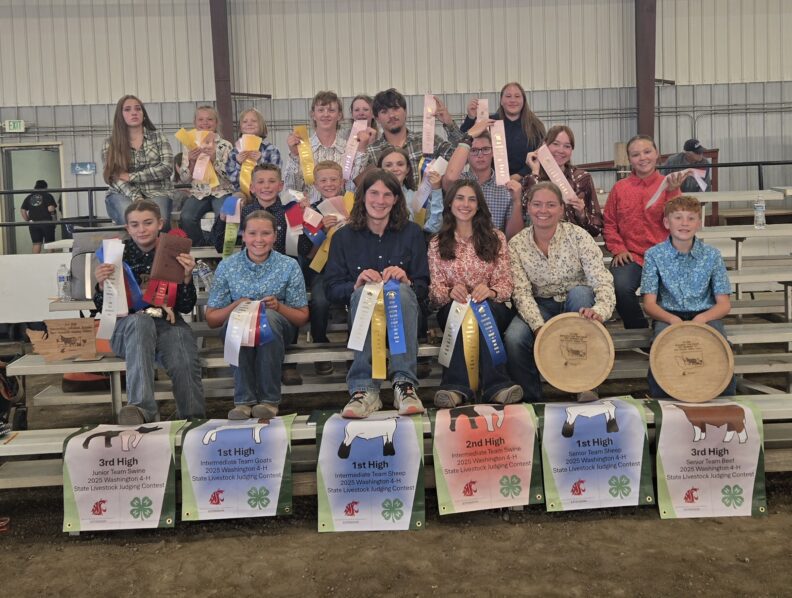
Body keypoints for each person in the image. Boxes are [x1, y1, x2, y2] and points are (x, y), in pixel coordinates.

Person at [324, 169, 429, 418]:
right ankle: (364, 391)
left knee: (400, 293)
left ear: (396, 199)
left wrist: (408, 280)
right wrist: (355, 284)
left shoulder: (412, 233)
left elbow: (424, 286)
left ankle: (404, 386)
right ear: (362, 197)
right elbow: (330, 289)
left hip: (406, 313)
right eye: (373, 193)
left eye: (387, 194)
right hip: (362, 318)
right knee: (363, 294)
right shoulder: (343, 237)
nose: (379, 201)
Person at [93, 200, 204, 424]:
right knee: (140, 322)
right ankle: (141, 409)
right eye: (134, 225)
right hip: (128, 328)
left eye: (147, 223)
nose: (141, 229)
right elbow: (102, 308)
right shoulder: (114, 255)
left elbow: (184, 306)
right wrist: (102, 286)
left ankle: (193, 419)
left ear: (160, 223)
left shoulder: (174, 251)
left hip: (167, 323)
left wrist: (186, 278)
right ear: (127, 228)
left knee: (182, 344)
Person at [504, 182, 615, 402]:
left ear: (562, 209)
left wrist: (600, 310)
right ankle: (531, 398)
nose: (543, 210)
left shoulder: (579, 236)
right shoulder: (516, 245)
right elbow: (522, 293)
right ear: (528, 208)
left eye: (550, 205)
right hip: (540, 305)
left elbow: (600, 279)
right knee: (514, 338)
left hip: (576, 302)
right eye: (537, 204)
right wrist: (538, 327)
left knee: (581, 293)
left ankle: (583, 384)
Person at [206, 211, 309, 419]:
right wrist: (235, 305)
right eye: (252, 233)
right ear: (243, 235)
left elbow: (301, 317)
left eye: (265, 233)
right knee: (238, 322)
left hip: (280, 328)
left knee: (268, 320)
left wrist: (278, 307)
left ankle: (269, 401)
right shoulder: (227, 266)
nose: (259, 240)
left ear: (275, 236)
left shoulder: (289, 265)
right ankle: (243, 401)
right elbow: (211, 319)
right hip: (237, 328)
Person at [428, 180, 521, 407]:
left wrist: (489, 290)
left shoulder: (496, 237)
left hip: (493, 307)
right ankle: (455, 388)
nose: (466, 204)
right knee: (461, 312)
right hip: (452, 309)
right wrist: (450, 292)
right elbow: (434, 293)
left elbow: (506, 284)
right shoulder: (437, 243)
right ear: (450, 204)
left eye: (472, 199)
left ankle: (495, 387)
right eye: (460, 198)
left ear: (479, 205)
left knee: (482, 311)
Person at [642, 196, 736, 397]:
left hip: (705, 314)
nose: (684, 223)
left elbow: (724, 304)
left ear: (698, 223)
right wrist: (670, 319)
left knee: (720, 348)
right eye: (678, 217)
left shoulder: (712, 255)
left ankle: (725, 399)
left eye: (691, 218)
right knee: (661, 347)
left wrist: (702, 319)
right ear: (667, 223)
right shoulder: (653, 255)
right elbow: (649, 303)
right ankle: (662, 400)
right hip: (668, 315)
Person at [603, 135, 689, 329]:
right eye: (635, 154)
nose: (642, 157)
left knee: (674, 290)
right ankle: (640, 332)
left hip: (664, 255)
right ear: (629, 159)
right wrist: (618, 249)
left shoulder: (670, 185)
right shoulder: (619, 189)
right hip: (631, 256)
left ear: (657, 154)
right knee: (620, 287)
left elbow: (680, 223)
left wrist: (674, 192)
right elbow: (609, 223)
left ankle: (666, 331)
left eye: (647, 152)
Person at [283, 90, 372, 204]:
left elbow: (355, 189)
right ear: (313, 115)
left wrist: (361, 150)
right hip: (310, 218)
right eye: (321, 110)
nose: (326, 114)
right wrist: (295, 156)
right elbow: (291, 190)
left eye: (331, 110)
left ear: (339, 115)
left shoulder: (351, 148)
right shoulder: (300, 148)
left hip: (345, 216)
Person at [365, 88, 463, 189]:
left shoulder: (428, 140)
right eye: (384, 111)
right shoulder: (371, 152)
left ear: (405, 111)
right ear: (376, 118)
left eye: (395, 108)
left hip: (431, 204)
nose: (391, 115)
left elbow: (461, 157)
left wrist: (449, 124)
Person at [519, 125, 604, 238]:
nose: (561, 150)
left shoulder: (582, 178)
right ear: (544, 145)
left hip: (574, 246)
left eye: (567, 146)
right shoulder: (531, 178)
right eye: (555, 144)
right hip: (539, 245)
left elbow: (597, 228)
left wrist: (582, 214)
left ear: (571, 150)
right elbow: (525, 215)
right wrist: (535, 172)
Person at [102, 94, 173, 227]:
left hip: (158, 191)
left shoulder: (158, 137)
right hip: (123, 193)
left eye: (138, 109)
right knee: (129, 219)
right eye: (127, 109)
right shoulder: (110, 143)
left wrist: (131, 176)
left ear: (143, 114)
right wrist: (137, 198)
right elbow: (115, 177)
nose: (134, 112)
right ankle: (131, 248)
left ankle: (158, 248)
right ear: (120, 116)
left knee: (159, 221)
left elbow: (167, 168)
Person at [443, 117, 523, 235]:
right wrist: (469, 135)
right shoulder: (459, 181)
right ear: (466, 154)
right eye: (474, 150)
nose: (480, 155)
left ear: (494, 152)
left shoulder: (507, 186)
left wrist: (517, 202)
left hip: (493, 248)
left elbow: (514, 236)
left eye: (485, 149)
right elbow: (449, 178)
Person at [460, 82, 546, 179]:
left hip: (526, 181)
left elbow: (540, 155)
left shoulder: (536, 126)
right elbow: (463, 141)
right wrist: (470, 118)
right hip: (491, 182)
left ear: (524, 100)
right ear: (501, 101)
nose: (513, 100)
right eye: (508, 96)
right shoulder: (488, 122)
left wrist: (519, 175)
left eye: (517, 96)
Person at [178, 105, 234, 245]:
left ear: (216, 123)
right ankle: (202, 249)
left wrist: (215, 159)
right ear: (195, 123)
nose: (205, 123)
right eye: (200, 119)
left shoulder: (225, 146)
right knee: (186, 217)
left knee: (224, 215)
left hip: (222, 191)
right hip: (199, 192)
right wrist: (191, 161)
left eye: (210, 119)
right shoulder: (189, 146)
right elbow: (184, 178)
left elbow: (231, 176)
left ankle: (219, 248)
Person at [378, 147, 443, 234]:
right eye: (388, 165)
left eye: (400, 164)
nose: (395, 169)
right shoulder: (371, 197)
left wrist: (436, 190)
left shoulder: (418, 198)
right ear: (380, 170)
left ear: (407, 169)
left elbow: (434, 227)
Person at [226, 108, 282, 192]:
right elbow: (232, 180)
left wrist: (261, 162)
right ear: (240, 127)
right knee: (232, 202)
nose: (249, 124)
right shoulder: (235, 152)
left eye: (254, 121)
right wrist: (238, 163)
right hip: (242, 193)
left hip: (266, 193)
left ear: (261, 125)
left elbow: (276, 177)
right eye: (245, 122)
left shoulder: (271, 150)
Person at [20, 179, 57, 254]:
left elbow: (23, 210)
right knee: (50, 243)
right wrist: (54, 220)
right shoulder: (47, 195)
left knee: (36, 243)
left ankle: (34, 262)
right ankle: (50, 261)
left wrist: (28, 220)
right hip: (47, 222)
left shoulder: (29, 197)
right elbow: (51, 208)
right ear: (45, 187)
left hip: (33, 223)